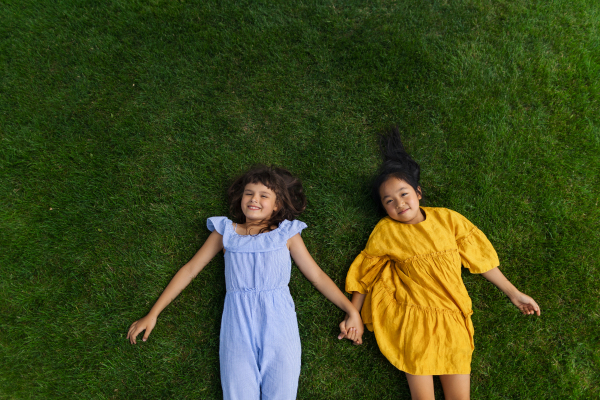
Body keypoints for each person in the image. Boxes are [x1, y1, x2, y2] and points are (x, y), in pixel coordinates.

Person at [127, 165, 363, 400]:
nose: (254, 199)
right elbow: (189, 270)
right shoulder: (225, 232)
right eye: (249, 193)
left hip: (279, 322)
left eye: (264, 195)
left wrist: (351, 310)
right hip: (236, 322)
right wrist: (154, 313)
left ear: (277, 204)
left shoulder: (286, 234)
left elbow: (317, 276)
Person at [338, 128, 540, 399]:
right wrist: (354, 314)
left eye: (403, 194)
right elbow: (365, 274)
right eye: (389, 201)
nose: (399, 203)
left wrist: (513, 293)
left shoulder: (447, 219)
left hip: (452, 320)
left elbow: (479, 258)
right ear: (384, 209)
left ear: (418, 192)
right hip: (413, 320)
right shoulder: (386, 231)